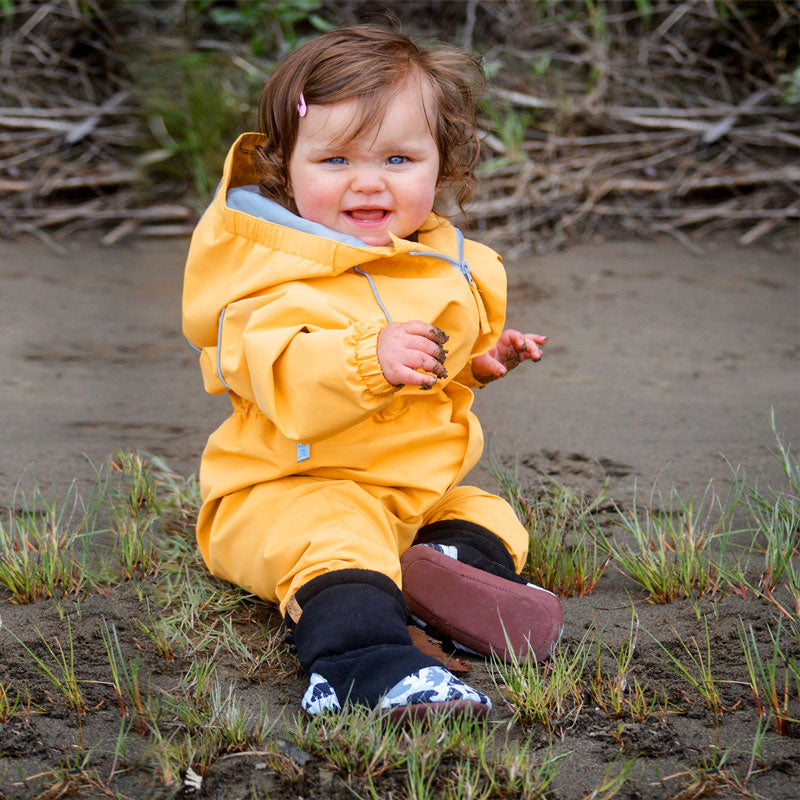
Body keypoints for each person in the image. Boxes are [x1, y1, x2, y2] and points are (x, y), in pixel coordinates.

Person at [182, 24, 563, 719]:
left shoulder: (438, 261)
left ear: (441, 165)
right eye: (333, 160)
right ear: (284, 169)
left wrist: (474, 364)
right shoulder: (269, 278)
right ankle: (364, 668)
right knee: (337, 539)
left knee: (490, 514)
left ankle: (440, 572)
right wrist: (367, 357)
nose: (368, 181)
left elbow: (431, 374)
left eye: (397, 157)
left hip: (405, 495)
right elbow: (283, 371)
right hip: (289, 493)